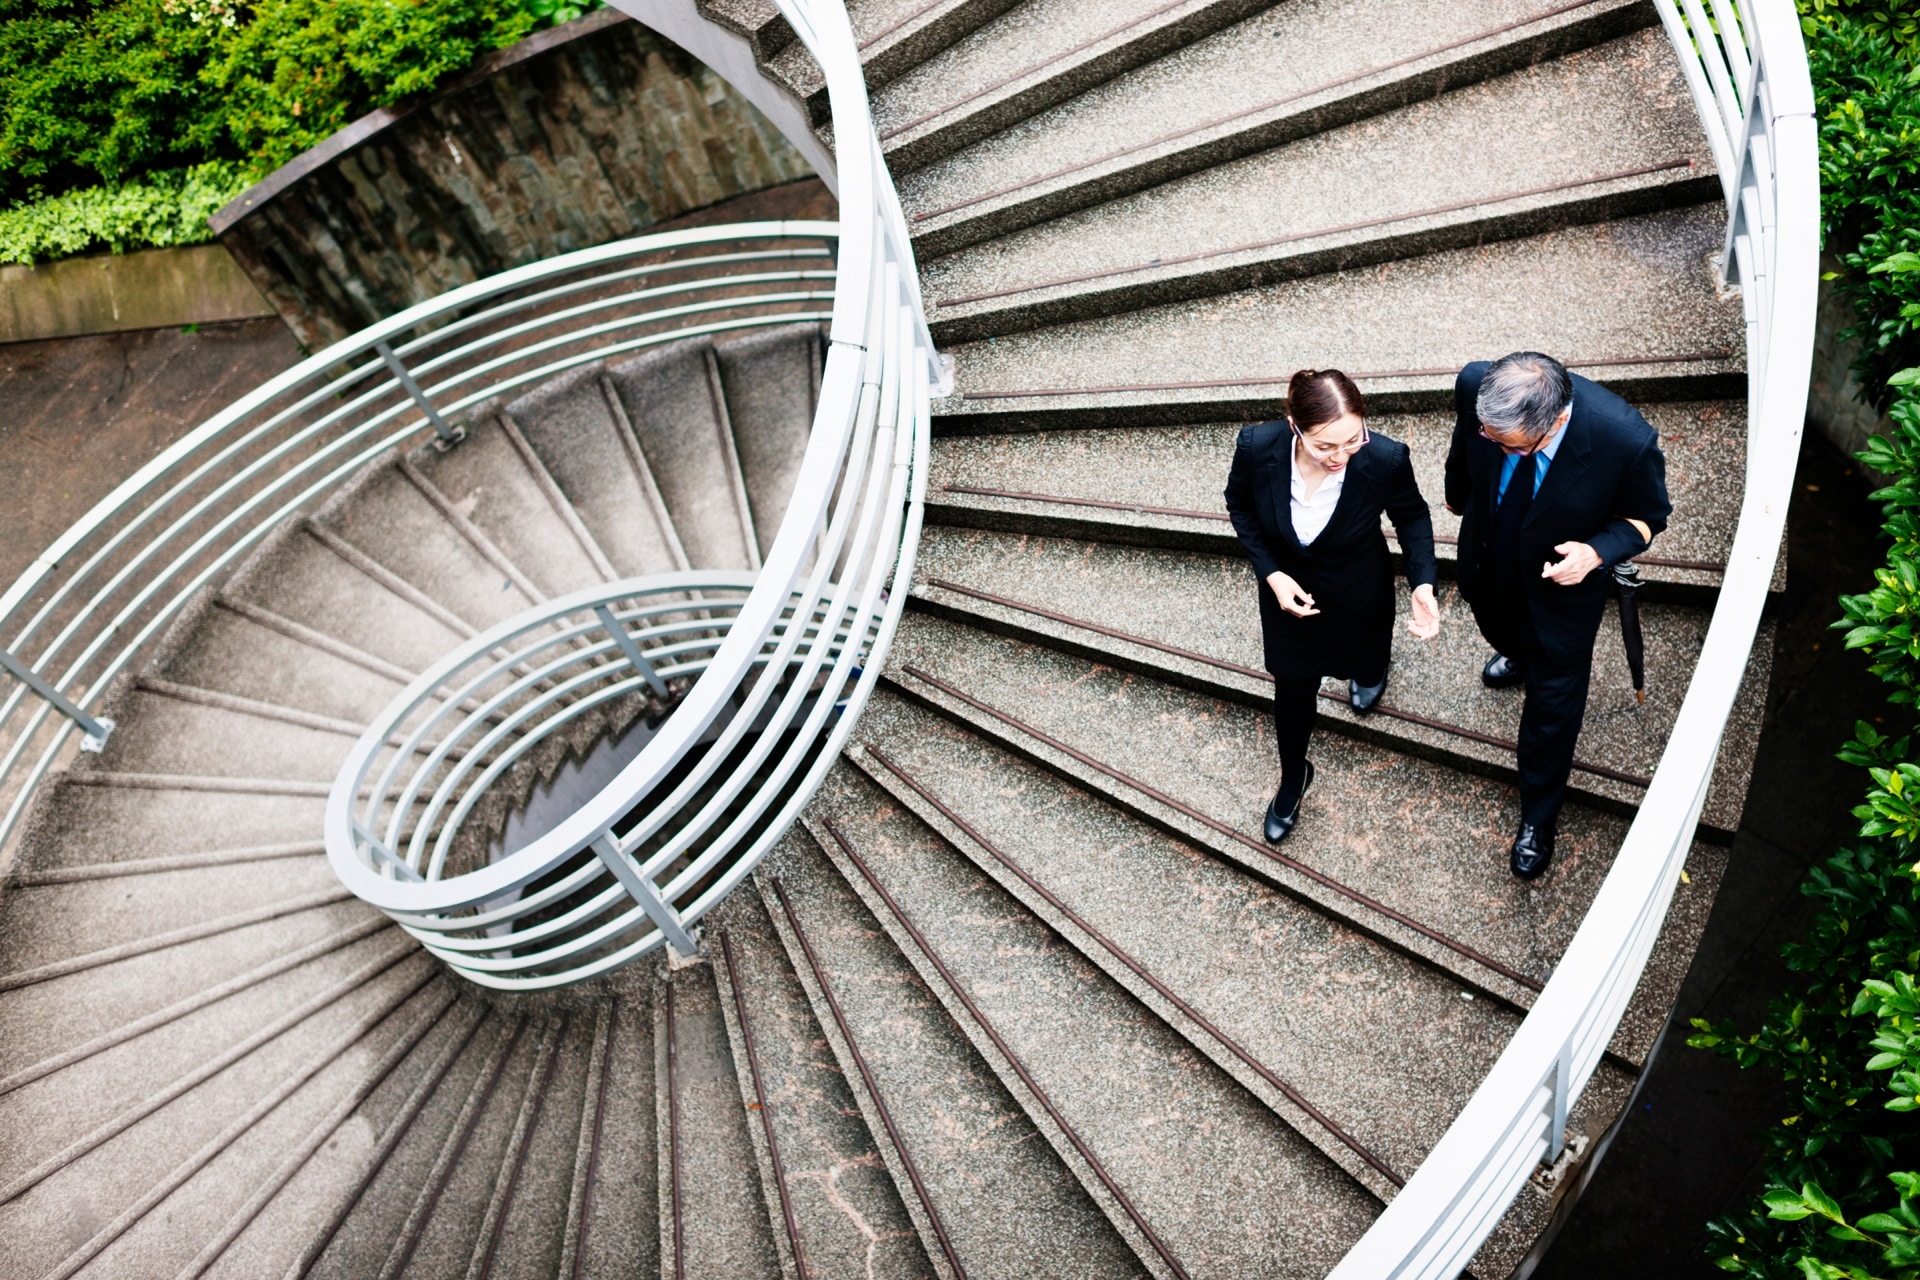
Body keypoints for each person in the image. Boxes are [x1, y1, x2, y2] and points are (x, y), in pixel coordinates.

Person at [1444, 351, 1671, 879]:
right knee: (1497, 624)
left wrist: (1594, 553)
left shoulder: (1624, 440)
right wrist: (1459, 492)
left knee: (1552, 713)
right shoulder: (1477, 383)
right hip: (1490, 554)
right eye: (1492, 436)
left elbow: (1647, 519)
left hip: (1562, 592)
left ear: (1556, 423)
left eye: (1511, 444)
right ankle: (1516, 654)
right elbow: (1464, 444)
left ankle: (1538, 818)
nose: (1497, 447)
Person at [1225, 368, 1441, 844]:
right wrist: (1273, 574)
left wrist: (1423, 583)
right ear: (1293, 425)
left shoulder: (1385, 457)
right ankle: (1292, 779)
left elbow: (1412, 516)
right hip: (1289, 597)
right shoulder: (1257, 447)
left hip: (1359, 589)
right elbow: (1238, 506)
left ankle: (1369, 673)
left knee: (1364, 662)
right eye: (1326, 446)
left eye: (1352, 441)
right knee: (1293, 691)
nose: (1340, 456)